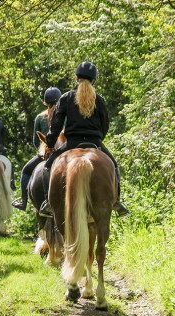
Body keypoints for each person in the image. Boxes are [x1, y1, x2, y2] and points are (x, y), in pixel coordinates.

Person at [39, 61, 129, 218]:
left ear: (76, 77)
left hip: (71, 143)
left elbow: (56, 126)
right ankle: (117, 201)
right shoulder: (99, 99)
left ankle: (47, 202)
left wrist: (51, 143)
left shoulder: (66, 98)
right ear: (94, 80)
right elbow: (105, 125)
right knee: (114, 166)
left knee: (47, 167)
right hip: (95, 142)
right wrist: (99, 139)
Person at [12, 87, 62, 211]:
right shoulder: (64, 115)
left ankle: (23, 202)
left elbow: (36, 141)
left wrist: (43, 151)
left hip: (46, 152)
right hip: (63, 151)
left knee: (26, 171)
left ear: (45, 102)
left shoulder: (40, 117)